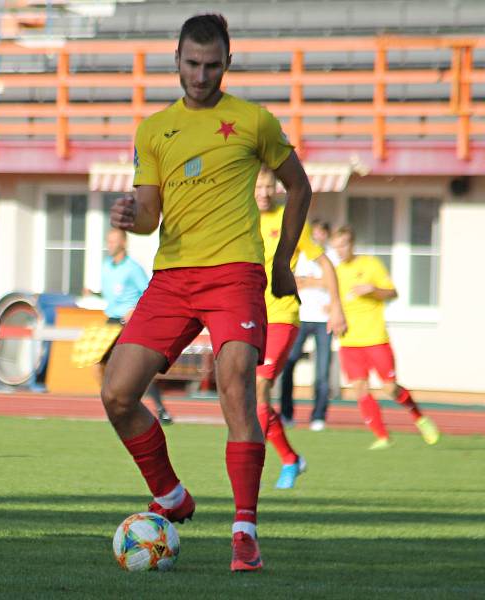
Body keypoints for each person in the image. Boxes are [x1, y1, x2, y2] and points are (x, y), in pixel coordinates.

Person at [103, 14, 313, 572]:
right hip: (172, 278)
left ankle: (244, 532)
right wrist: (130, 216)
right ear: (176, 59)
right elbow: (149, 217)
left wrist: (283, 262)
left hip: (236, 274)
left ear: (228, 62)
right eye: (192, 64)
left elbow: (299, 185)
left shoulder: (253, 121)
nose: (201, 75)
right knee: (116, 394)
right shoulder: (153, 130)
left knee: (236, 384)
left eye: (212, 65)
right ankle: (171, 497)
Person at [254, 169, 346, 488]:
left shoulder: (290, 219)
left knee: (259, 385)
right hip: (250, 317)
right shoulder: (239, 220)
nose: (263, 192)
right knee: (248, 398)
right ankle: (291, 460)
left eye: (268, 186)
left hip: (282, 314)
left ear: (276, 190)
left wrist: (336, 306)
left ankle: (278, 460)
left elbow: (326, 264)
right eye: (258, 187)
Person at [330, 225, 439, 449]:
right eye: (336, 246)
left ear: (352, 244)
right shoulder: (335, 272)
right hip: (349, 341)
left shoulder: (370, 265)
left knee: (390, 388)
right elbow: (334, 300)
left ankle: (420, 418)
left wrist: (373, 290)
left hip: (375, 338)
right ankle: (382, 436)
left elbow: (393, 293)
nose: (340, 250)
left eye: (344, 244)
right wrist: (331, 313)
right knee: (359, 388)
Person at [100, 227, 173, 424]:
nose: (110, 245)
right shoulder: (106, 266)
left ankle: (160, 408)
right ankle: (114, 406)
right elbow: (112, 293)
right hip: (110, 321)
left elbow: (147, 291)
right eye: (108, 241)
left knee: (135, 369)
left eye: (114, 241)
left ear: (123, 243)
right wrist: (94, 293)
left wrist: (133, 309)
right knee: (99, 364)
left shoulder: (132, 268)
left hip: (127, 323)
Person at [279, 220, 337, 431]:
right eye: (316, 233)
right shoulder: (301, 254)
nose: (318, 236)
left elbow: (336, 281)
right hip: (301, 316)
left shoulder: (331, 256)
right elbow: (293, 280)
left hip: (324, 320)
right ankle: (286, 414)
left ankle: (318, 417)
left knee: (322, 370)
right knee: (288, 364)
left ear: (327, 235)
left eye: (323, 233)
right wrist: (319, 281)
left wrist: (309, 281)